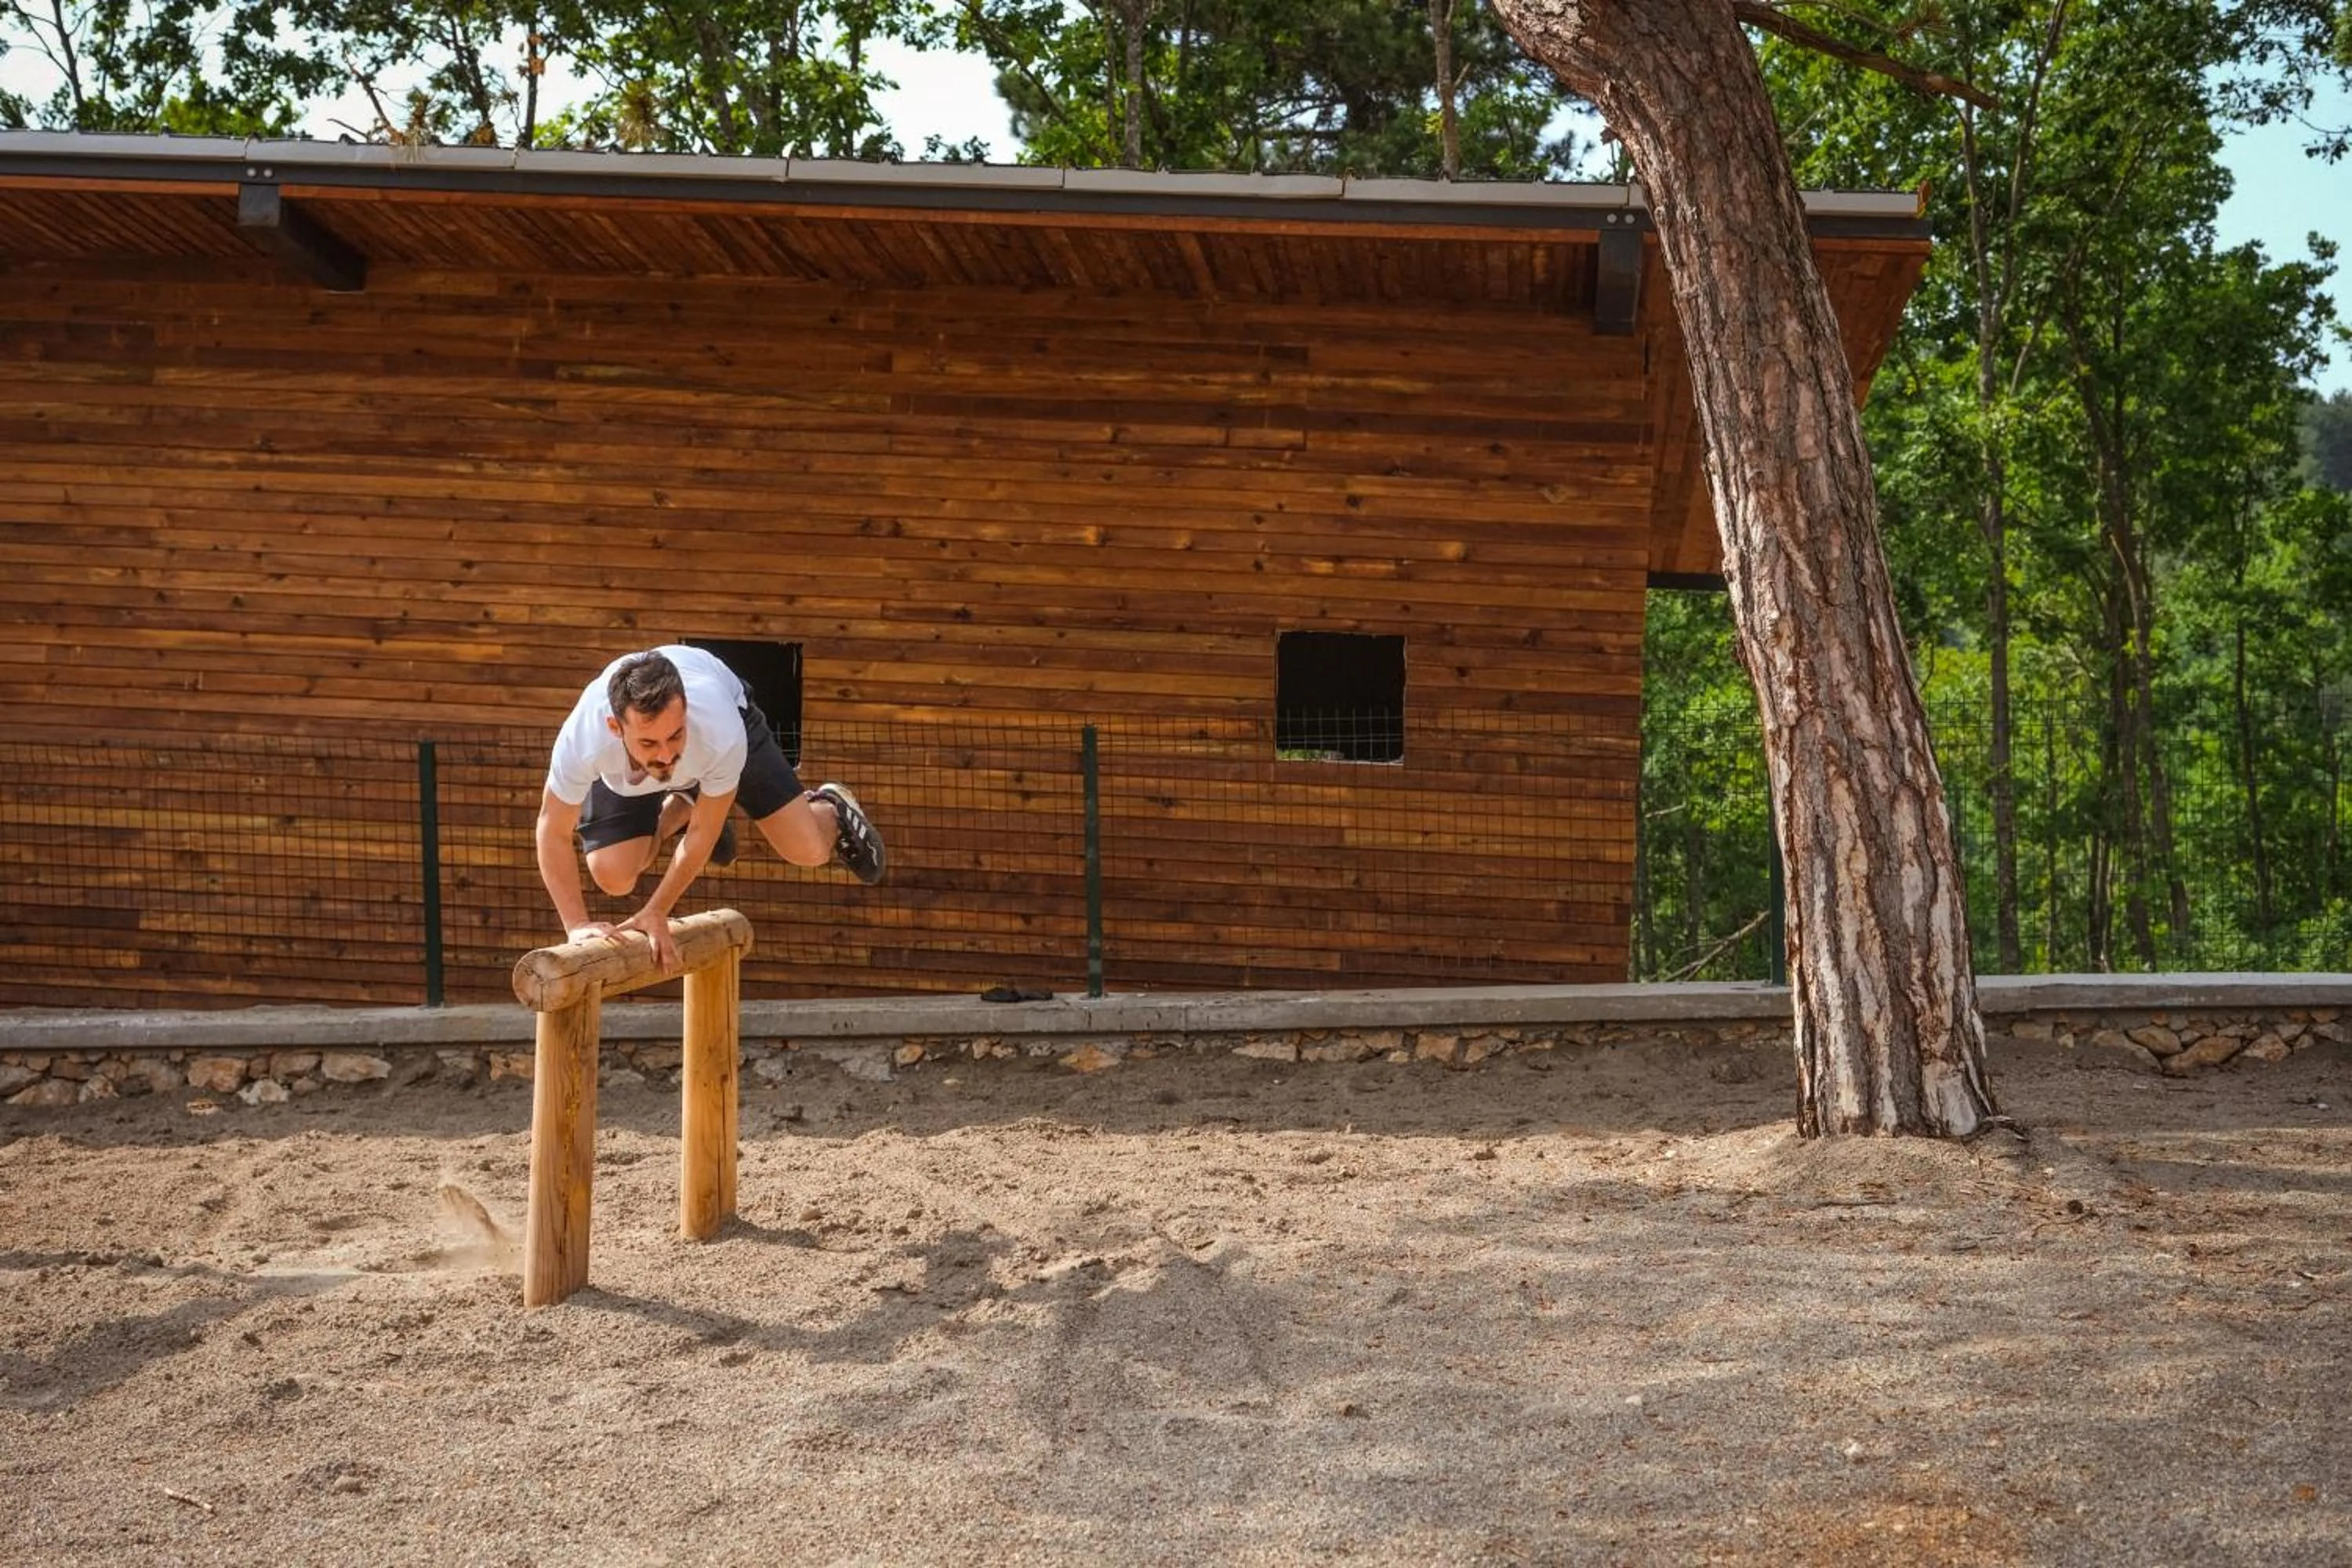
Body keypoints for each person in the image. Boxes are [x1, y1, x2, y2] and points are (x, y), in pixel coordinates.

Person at [535, 645, 885, 970]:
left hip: (720, 737)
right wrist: (577, 926)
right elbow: (552, 830)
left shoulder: (720, 728)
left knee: (807, 851)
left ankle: (830, 807)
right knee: (614, 876)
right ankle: (687, 801)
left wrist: (656, 911)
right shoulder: (583, 740)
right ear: (615, 728)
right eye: (648, 742)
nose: (666, 754)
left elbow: (706, 831)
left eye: (675, 735)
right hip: (641, 769)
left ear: (686, 712)